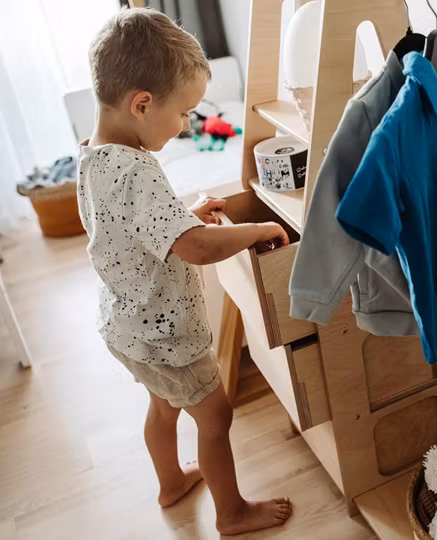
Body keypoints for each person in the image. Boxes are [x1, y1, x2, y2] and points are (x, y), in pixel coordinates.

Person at [77, 8, 292, 535]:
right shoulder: (137, 170)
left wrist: (181, 217)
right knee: (214, 416)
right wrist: (254, 232)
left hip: (126, 326)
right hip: (167, 333)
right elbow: (194, 248)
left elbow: (127, 227)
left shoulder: (93, 156)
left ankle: (171, 481)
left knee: (164, 405)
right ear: (142, 104)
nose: (187, 125)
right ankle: (232, 513)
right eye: (184, 113)